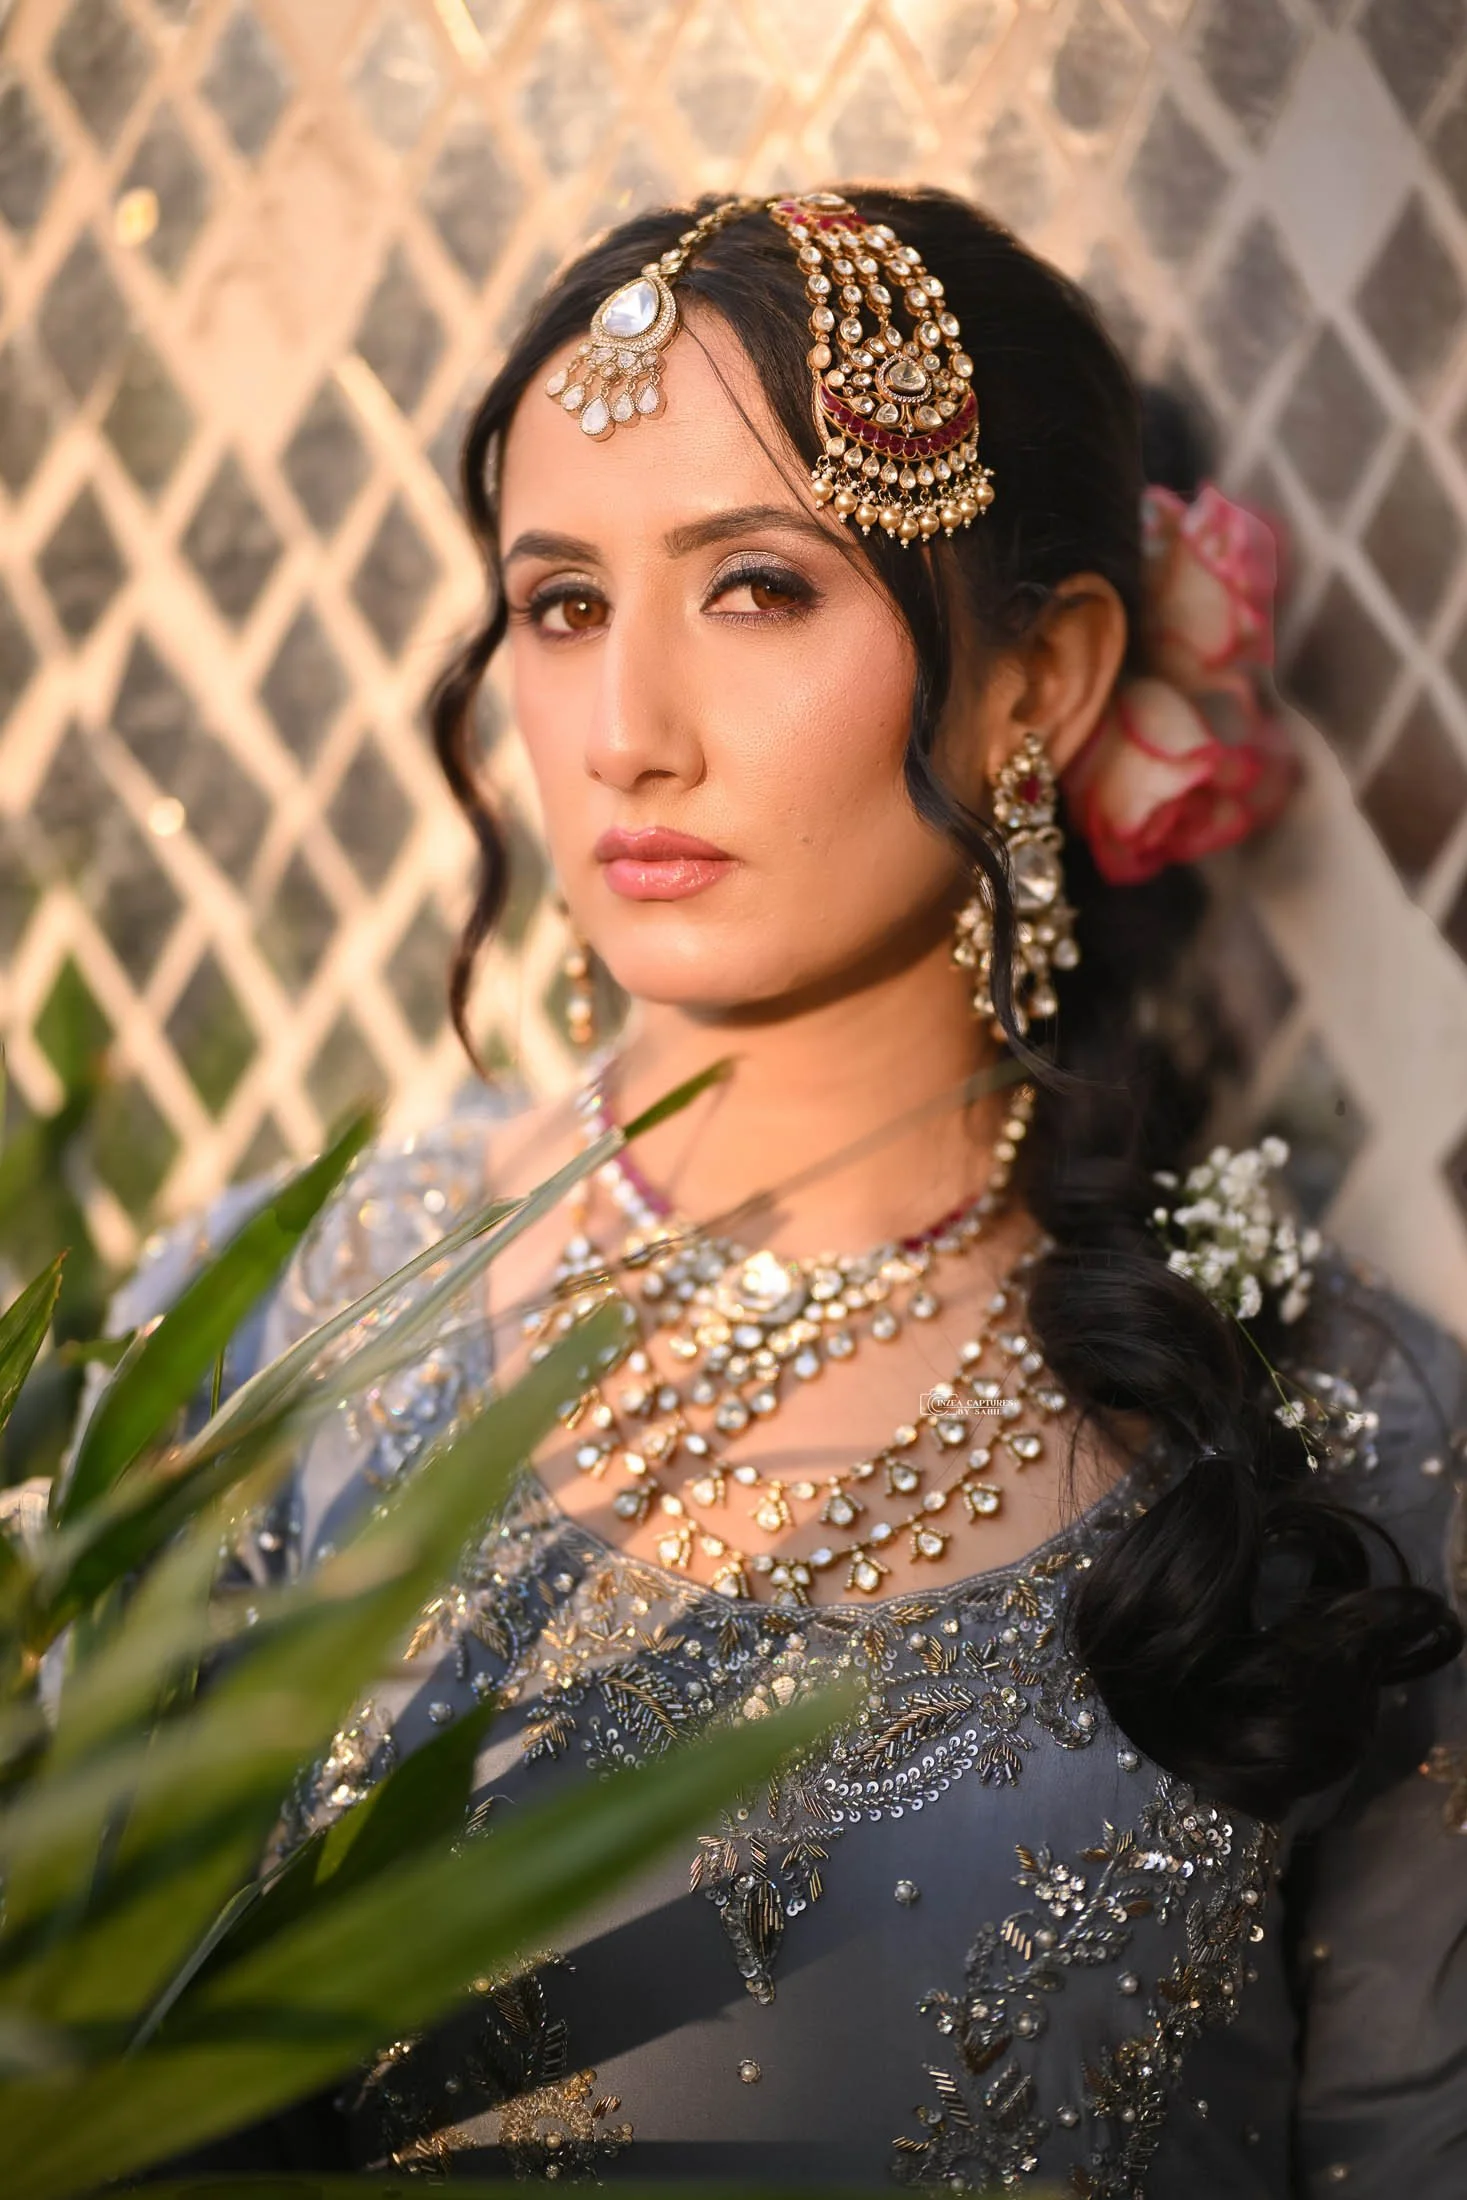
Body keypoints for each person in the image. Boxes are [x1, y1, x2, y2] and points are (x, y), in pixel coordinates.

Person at [112, 187, 1467, 2194]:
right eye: (561, 603)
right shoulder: (262, 1358)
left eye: (755, 586)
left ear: (1043, 679)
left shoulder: (1332, 1428)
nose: (627, 735)